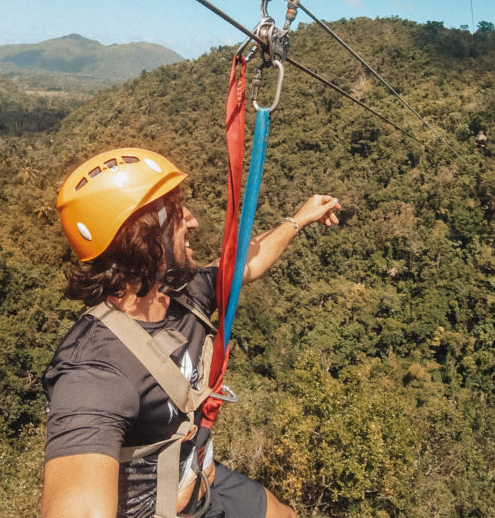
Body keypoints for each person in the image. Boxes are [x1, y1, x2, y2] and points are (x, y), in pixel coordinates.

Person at [42, 147, 341, 518]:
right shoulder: (95, 369)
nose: (193, 221)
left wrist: (298, 220)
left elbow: (243, 263)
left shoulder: (181, 296)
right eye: (177, 212)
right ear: (144, 237)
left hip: (205, 482)